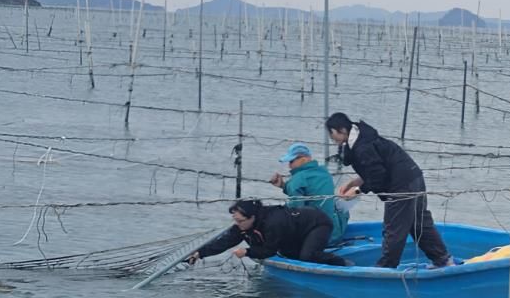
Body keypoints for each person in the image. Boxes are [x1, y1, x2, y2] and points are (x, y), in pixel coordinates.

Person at [325, 112, 453, 268]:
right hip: (413, 177)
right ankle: (444, 260)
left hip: (401, 186)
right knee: (419, 224)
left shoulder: (362, 147)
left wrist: (357, 191)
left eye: (332, 134)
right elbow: (378, 166)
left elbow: (378, 175)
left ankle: (386, 268)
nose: (332, 139)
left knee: (394, 229)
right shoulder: (363, 136)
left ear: (341, 130)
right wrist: (353, 182)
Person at [187, 199, 351, 267]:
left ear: (252, 217)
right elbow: (225, 242)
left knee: (307, 256)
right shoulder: (244, 225)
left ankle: (342, 263)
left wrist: (247, 252)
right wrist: (200, 253)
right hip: (294, 232)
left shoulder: (273, 223)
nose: (237, 224)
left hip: (317, 223)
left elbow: (269, 250)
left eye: (240, 221)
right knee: (291, 255)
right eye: (235, 220)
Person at [269, 142, 348, 245]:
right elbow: (311, 190)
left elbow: (295, 213)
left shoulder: (297, 179)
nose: (289, 165)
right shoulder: (324, 173)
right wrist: (283, 186)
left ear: (303, 159)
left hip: (316, 237)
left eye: (291, 161)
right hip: (335, 232)